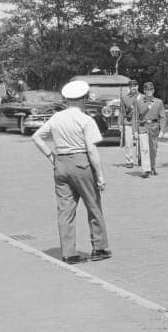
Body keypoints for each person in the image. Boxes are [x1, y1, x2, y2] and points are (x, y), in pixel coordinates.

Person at [31, 80, 110, 264]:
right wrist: (100, 176)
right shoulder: (86, 120)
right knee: (93, 205)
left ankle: (68, 252)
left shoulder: (57, 118)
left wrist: (52, 157)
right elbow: (92, 150)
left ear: (67, 100)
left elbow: (36, 137)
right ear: (83, 99)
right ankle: (99, 247)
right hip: (82, 163)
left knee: (65, 210)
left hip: (61, 163)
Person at [133, 81, 165, 177]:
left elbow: (162, 117)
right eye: (147, 90)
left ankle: (152, 167)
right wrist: (135, 130)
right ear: (144, 91)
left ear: (153, 90)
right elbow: (135, 117)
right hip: (143, 127)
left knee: (153, 149)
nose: (149, 91)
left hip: (154, 127)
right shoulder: (138, 102)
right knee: (144, 149)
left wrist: (162, 130)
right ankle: (146, 170)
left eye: (150, 90)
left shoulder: (159, 102)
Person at [119, 78, 139, 167]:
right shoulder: (124, 98)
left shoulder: (142, 97)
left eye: (135, 86)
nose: (133, 88)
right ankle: (129, 161)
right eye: (131, 87)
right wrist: (120, 123)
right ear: (129, 88)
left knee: (141, 143)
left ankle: (141, 158)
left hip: (139, 122)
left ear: (137, 87)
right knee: (128, 143)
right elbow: (122, 111)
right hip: (128, 122)